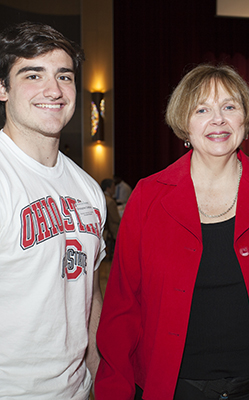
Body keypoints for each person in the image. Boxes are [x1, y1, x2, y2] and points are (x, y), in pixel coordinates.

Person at [95, 64, 249, 400]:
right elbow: (122, 308)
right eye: (202, 109)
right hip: (172, 389)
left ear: (245, 119)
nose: (218, 119)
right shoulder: (148, 196)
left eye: (229, 107)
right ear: (184, 123)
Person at [0, 22, 106, 399]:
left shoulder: (87, 190)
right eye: (33, 74)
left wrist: (98, 378)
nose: (53, 90)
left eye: (64, 76)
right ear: (2, 88)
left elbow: (87, 294)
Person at [101, 178, 121, 258]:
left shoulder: (101, 198)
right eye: (113, 187)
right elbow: (116, 219)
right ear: (108, 188)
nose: (115, 189)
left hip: (104, 228)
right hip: (112, 229)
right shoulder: (110, 201)